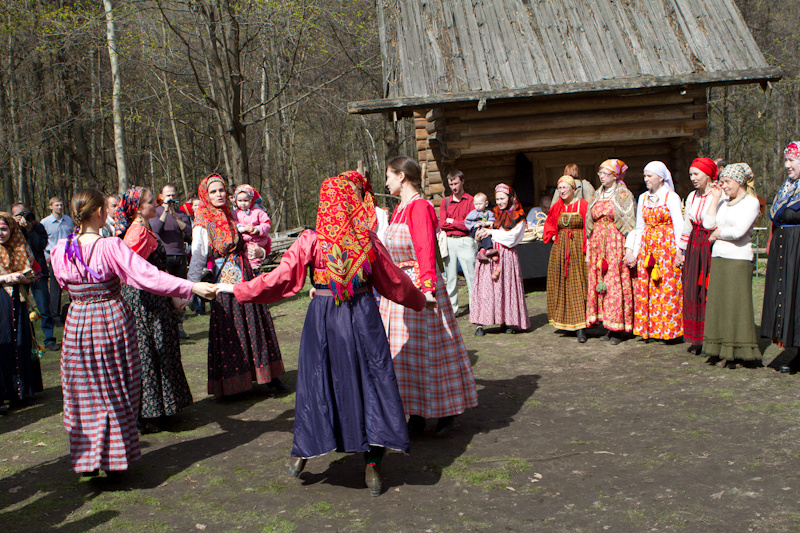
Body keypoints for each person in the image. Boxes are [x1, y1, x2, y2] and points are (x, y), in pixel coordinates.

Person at [219, 171, 431, 497]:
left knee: (318, 383)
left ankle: (303, 452)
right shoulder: (367, 240)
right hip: (363, 320)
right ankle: (371, 464)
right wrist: (420, 300)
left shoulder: (311, 241)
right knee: (370, 384)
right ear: (350, 203)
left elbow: (280, 280)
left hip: (324, 320)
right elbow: (395, 283)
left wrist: (240, 289)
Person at [50, 188, 216, 476]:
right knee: (115, 386)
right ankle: (114, 459)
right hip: (109, 318)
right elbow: (146, 276)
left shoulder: (60, 249)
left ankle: (87, 459)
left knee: (83, 390)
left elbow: (64, 286)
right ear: (101, 212)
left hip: (77, 320)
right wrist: (189, 286)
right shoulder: (110, 246)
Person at [380, 156, 477, 437]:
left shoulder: (419, 207)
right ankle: (416, 413)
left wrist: (426, 290)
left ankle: (446, 411)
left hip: (419, 289)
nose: (385, 181)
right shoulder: (398, 209)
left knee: (431, 352)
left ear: (402, 176)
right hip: (399, 290)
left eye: (388, 175)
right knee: (405, 356)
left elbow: (424, 249)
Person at [188, 173, 286, 397]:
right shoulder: (203, 221)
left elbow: (258, 240)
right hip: (225, 283)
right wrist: (189, 289)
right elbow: (198, 256)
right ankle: (235, 384)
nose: (219, 194)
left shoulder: (234, 215)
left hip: (247, 274)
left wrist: (262, 251)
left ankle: (270, 376)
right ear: (205, 195)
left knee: (258, 323)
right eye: (213, 191)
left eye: (221, 190)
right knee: (233, 328)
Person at [115, 186, 194, 433]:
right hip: (143, 301)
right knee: (148, 353)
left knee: (163, 350)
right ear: (139, 208)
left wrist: (172, 294)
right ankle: (148, 414)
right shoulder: (136, 233)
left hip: (156, 297)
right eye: (151, 202)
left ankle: (164, 408)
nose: (156, 204)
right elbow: (128, 271)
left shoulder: (146, 227)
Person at [702, 163, 761, 368]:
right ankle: (718, 348)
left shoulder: (751, 203)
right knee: (719, 303)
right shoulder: (723, 202)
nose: (724, 186)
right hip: (719, 257)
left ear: (739, 181)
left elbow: (738, 232)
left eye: (727, 182)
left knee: (735, 304)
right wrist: (715, 198)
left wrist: (718, 234)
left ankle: (735, 350)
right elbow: (708, 224)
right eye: (722, 182)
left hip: (738, 259)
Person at [625, 161, 684, 343]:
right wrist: (635, 252)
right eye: (645, 176)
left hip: (666, 248)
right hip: (648, 248)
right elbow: (640, 227)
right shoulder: (643, 198)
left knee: (666, 288)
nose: (646, 179)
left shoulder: (670, 197)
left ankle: (668, 330)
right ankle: (650, 329)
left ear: (660, 177)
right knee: (648, 288)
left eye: (649, 176)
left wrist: (679, 251)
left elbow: (678, 225)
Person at [585, 159, 636, 345]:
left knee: (615, 282)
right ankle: (607, 323)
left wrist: (629, 249)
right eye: (600, 173)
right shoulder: (597, 195)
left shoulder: (623, 194)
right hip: (599, 243)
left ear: (615, 175)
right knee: (601, 281)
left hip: (615, 242)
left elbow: (630, 223)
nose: (601, 177)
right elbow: (589, 222)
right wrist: (590, 246)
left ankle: (619, 328)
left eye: (605, 174)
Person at [470, 183, 531, 336]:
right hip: (490, 256)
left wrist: (491, 232)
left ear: (510, 198)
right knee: (487, 287)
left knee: (506, 288)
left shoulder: (519, 216)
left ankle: (508, 321)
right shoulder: (494, 214)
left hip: (507, 255)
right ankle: (481, 322)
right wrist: (480, 236)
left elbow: (511, 238)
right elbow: (486, 231)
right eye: (497, 199)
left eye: (502, 198)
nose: (499, 202)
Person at [761, 141, 800, 372]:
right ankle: (794, 347)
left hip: (798, 248)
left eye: (792, 160)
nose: (787, 165)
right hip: (784, 248)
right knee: (787, 298)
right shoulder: (787, 188)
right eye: (785, 160)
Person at [0, 212, 43, 414]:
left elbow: (35, 272)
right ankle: (3, 394)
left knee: (20, 342)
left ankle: (22, 393)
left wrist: (25, 279)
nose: (1, 233)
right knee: (5, 343)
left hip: (18, 300)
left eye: (4, 228)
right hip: (1, 302)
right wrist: (6, 278)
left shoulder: (19, 245)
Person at [675, 158, 719, 354]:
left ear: (708, 175)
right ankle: (696, 337)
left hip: (709, 244)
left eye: (696, 174)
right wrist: (680, 250)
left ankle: (709, 336)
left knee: (707, 288)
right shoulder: (692, 196)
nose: (693, 178)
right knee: (693, 287)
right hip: (694, 244)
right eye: (691, 174)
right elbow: (687, 224)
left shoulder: (717, 196)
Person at [543, 176, 589, 342]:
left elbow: (588, 227)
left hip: (577, 249)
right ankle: (565, 322)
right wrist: (553, 236)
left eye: (565, 187)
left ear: (573, 188)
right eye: (559, 188)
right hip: (560, 250)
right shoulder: (557, 207)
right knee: (562, 284)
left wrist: (587, 248)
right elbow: (548, 225)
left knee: (578, 284)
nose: (562, 191)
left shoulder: (583, 205)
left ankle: (581, 327)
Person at [11, 203, 57, 351]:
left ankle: (49, 339)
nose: (23, 217)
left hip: (38, 272)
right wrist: (18, 228)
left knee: (44, 307)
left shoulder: (37, 227)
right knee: (20, 308)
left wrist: (30, 229)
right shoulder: (10, 230)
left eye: (25, 213)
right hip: (19, 273)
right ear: (13, 217)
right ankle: (24, 340)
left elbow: (40, 246)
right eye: (19, 215)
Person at [150, 184, 192, 339]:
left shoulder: (181, 213)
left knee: (180, 291)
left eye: (173, 195)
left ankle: (180, 325)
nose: (171, 198)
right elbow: (156, 230)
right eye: (168, 195)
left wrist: (175, 216)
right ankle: (167, 326)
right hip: (165, 256)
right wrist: (165, 211)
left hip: (180, 256)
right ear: (161, 196)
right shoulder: (157, 212)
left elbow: (188, 233)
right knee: (166, 292)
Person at [438, 170, 477, 315]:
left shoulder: (471, 201)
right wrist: (461, 223)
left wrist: (453, 222)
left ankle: (475, 309)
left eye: (456, 183)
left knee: (471, 275)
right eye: (451, 184)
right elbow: (442, 224)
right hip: (449, 242)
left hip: (466, 241)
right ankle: (452, 310)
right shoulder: (445, 202)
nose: (453, 187)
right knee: (451, 277)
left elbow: (470, 225)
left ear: (462, 181)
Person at [41, 196, 74, 325]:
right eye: (56, 205)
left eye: (61, 205)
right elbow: (42, 242)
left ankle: (73, 311)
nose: (59, 207)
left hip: (68, 258)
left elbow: (72, 237)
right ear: (50, 207)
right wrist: (46, 257)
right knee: (55, 288)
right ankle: (55, 316)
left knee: (71, 284)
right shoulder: (45, 223)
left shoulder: (68, 220)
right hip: (53, 258)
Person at [232, 184, 272, 270]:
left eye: (246, 200)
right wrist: (241, 228)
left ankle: (255, 269)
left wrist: (257, 229)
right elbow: (234, 222)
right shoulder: (236, 213)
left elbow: (267, 223)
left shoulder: (258, 211)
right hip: (244, 240)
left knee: (253, 252)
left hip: (257, 240)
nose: (242, 203)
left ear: (251, 200)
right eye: (240, 201)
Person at [465, 192, 496, 261]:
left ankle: (483, 251)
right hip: (476, 229)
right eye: (476, 204)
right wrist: (475, 225)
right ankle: (488, 249)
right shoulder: (472, 213)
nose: (478, 206)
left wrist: (486, 223)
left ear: (486, 204)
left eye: (480, 204)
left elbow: (492, 221)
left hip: (485, 228)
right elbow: (467, 222)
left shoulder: (489, 213)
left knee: (487, 235)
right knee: (483, 235)